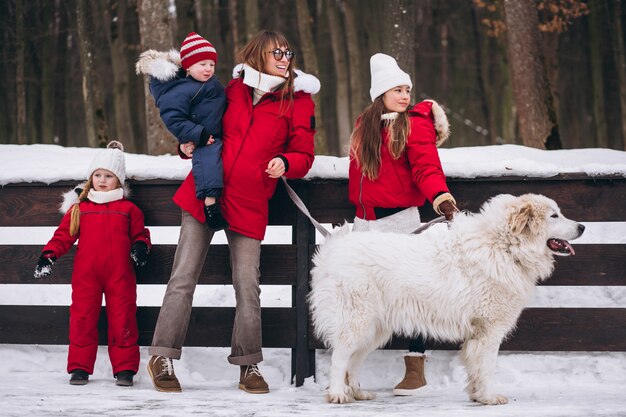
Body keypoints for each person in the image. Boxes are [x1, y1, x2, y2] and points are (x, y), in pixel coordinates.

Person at [145, 30, 319, 394]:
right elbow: (202, 126)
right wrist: (186, 145)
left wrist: (285, 161)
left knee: (247, 285)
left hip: (251, 201)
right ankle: (162, 355)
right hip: (206, 192)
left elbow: (304, 155)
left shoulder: (298, 101)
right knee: (183, 277)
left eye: (289, 52)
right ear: (258, 55)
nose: (285, 57)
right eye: (277, 52)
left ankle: (249, 365)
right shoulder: (232, 90)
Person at [348, 53, 459, 396]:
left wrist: (440, 197)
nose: (405, 95)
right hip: (365, 224)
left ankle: (416, 367)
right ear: (380, 93)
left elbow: (426, 166)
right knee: (361, 295)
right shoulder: (365, 124)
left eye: (407, 89)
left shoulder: (413, 123)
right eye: (397, 89)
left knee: (413, 293)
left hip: (400, 222)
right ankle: (349, 371)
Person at [33, 141, 151, 387]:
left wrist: (140, 247)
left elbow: (140, 234)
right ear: (91, 178)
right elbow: (63, 235)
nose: (102, 180)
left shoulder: (129, 209)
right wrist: (49, 255)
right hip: (87, 274)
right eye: (97, 175)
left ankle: (125, 369)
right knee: (83, 317)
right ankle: (79, 367)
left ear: (118, 180)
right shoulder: (80, 209)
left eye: (108, 176)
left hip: (120, 274)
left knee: (123, 317)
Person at [137, 32, 228, 231]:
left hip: (220, 132)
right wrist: (198, 134)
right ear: (188, 66)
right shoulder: (179, 90)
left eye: (211, 65)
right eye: (202, 64)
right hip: (205, 137)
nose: (208, 69)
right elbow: (174, 119)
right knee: (207, 160)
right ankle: (211, 206)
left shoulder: (205, 82)